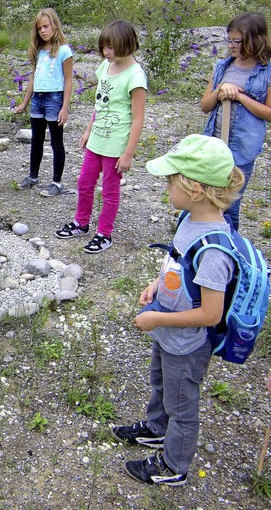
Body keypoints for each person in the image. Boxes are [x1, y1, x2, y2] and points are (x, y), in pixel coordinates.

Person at [112, 134, 245, 486]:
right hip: (169, 331)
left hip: (188, 342)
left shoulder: (215, 250)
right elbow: (177, 262)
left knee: (182, 403)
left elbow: (210, 315)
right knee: (161, 384)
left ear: (195, 189)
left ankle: (174, 465)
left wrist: (157, 317)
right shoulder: (189, 220)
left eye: (171, 181)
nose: (166, 187)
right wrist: (156, 286)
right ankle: (156, 428)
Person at [55, 20, 146, 253]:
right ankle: (81, 222)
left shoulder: (135, 76)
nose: (106, 52)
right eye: (104, 46)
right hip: (97, 138)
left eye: (111, 47)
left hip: (116, 144)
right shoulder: (104, 67)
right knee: (84, 182)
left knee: (109, 190)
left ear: (127, 45)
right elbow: (99, 104)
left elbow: (138, 119)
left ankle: (104, 234)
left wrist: (128, 154)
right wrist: (88, 130)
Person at [200, 11, 271, 231]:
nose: (230, 45)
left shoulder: (267, 72)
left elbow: (269, 112)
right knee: (201, 198)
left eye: (236, 41)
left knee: (229, 206)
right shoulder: (223, 66)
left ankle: (229, 255)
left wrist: (239, 96)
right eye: (228, 40)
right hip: (213, 144)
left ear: (255, 40)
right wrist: (221, 90)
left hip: (243, 149)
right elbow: (205, 105)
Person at [14, 7, 73, 196]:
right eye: (40, 28)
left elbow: (68, 80)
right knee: (36, 140)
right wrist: (24, 103)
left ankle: (57, 182)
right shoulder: (39, 51)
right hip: (38, 98)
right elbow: (33, 78)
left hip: (54, 98)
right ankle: (33, 176)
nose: (43, 31)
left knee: (56, 142)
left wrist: (65, 107)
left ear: (55, 25)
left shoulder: (64, 51)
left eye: (46, 26)